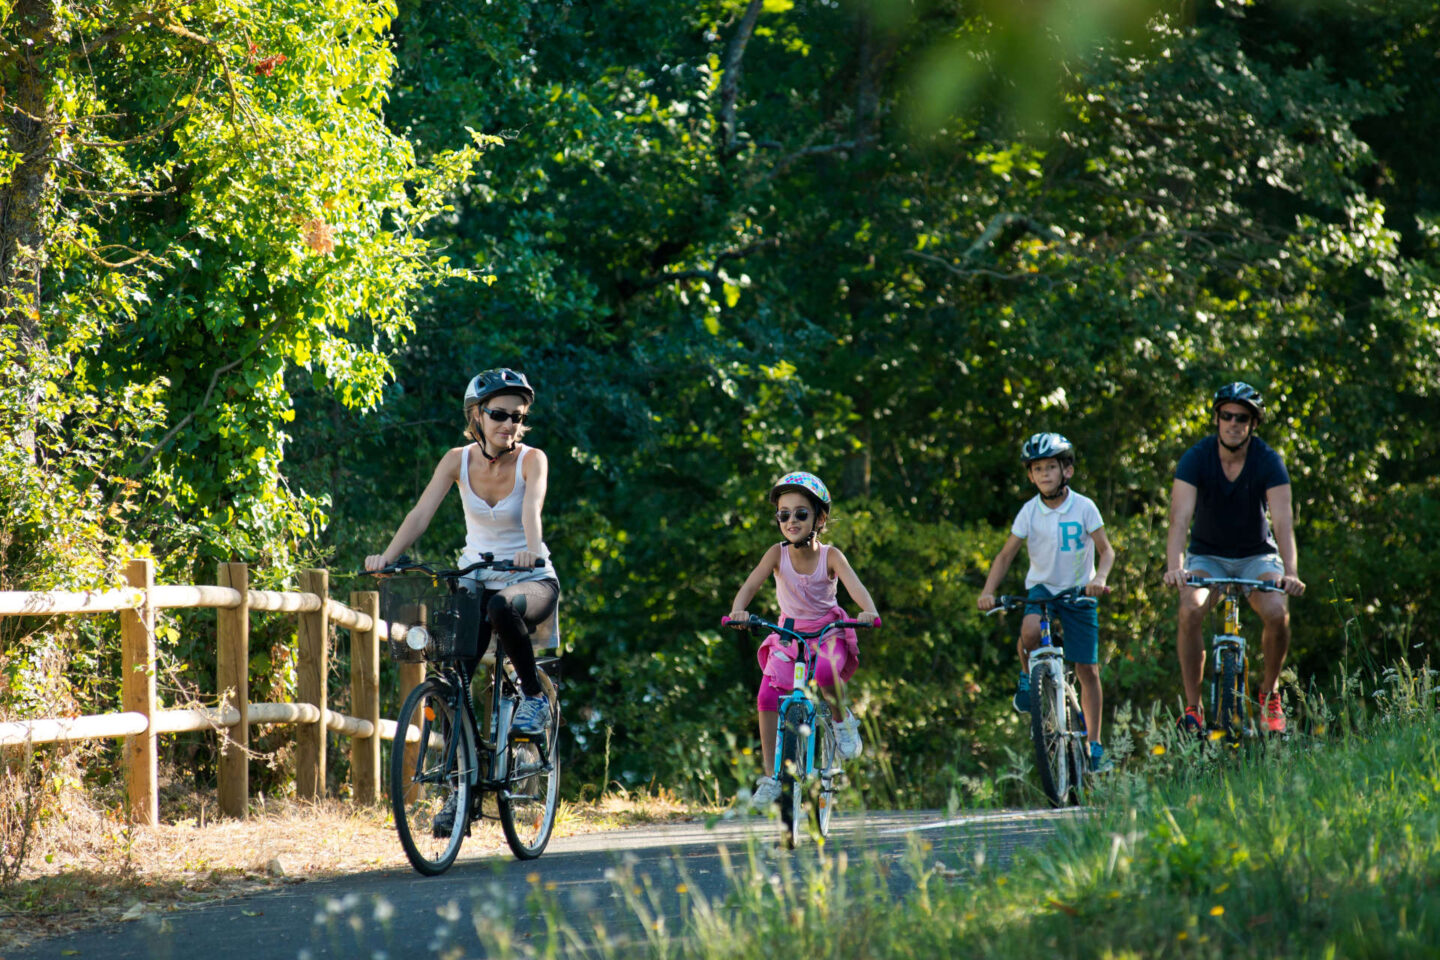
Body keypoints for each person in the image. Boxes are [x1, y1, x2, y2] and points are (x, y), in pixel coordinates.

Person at [365, 367, 560, 743]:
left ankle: (534, 697)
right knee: (454, 675)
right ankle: (460, 781)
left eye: (517, 417)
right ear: (477, 415)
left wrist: (531, 552)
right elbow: (420, 515)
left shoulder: (532, 460)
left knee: (502, 607)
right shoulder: (456, 460)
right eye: (499, 414)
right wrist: (386, 559)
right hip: (477, 577)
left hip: (530, 581)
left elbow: (531, 511)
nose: (509, 424)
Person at [726, 471, 879, 807]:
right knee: (766, 696)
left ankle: (842, 723)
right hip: (789, 634)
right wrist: (739, 610)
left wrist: (868, 610)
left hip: (827, 632)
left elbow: (857, 588)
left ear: (819, 518)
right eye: (784, 514)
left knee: (826, 675)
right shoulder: (776, 554)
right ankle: (770, 777)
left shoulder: (831, 556)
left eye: (800, 513)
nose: (791, 520)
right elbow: (750, 586)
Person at [1163, 381, 1305, 736]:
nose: (1233, 423)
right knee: (1190, 609)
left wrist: (1290, 573)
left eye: (1242, 417)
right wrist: (1174, 567)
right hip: (1206, 556)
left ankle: (1270, 693)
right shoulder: (1196, 458)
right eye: (1226, 415)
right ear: (1216, 418)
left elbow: (1284, 523)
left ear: (1253, 424)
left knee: (1276, 612)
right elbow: (1179, 519)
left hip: (1257, 556)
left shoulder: (1269, 462)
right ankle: (1193, 708)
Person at [978, 433, 1116, 773]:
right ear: (1030, 475)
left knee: (1087, 669)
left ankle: (1094, 744)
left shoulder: (1084, 507)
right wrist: (988, 590)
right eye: (1037, 469)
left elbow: (1106, 550)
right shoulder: (1029, 511)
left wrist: (1099, 579)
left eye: (1051, 467)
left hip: (1079, 592)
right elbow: (1006, 554)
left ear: (1066, 471)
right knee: (1028, 632)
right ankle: (1028, 679)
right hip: (1042, 590)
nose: (1044, 474)